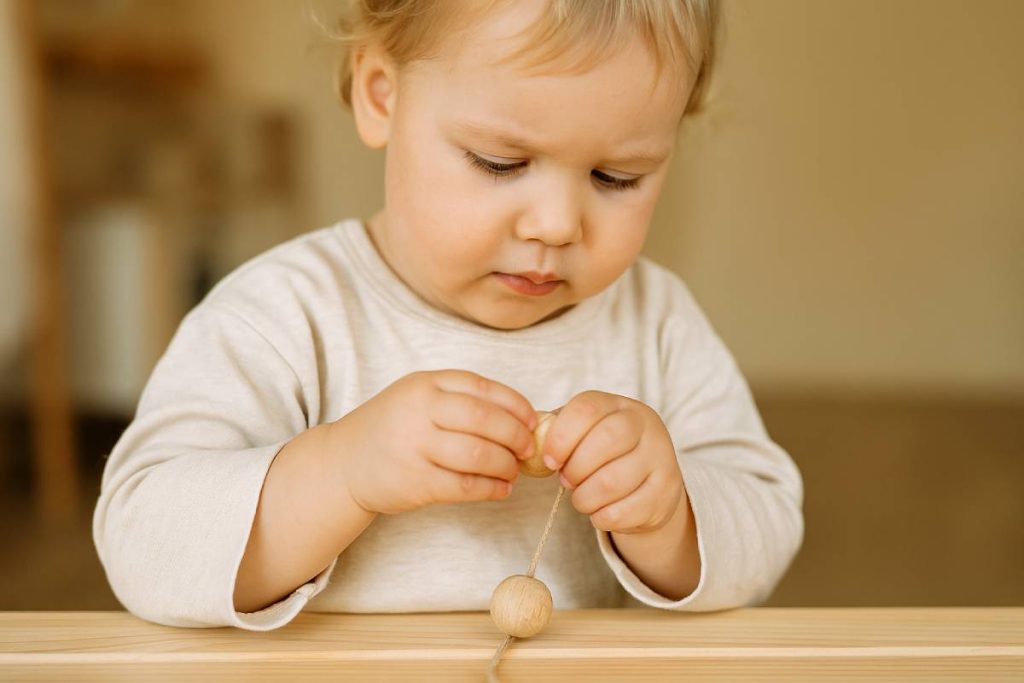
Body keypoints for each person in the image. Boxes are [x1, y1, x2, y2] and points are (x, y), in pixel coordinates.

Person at [94, 0, 803, 630]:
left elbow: (767, 525)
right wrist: (342, 470)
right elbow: (140, 540)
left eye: (616, 177)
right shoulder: (284, 316)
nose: (557, 224)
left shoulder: (654, 322)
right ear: (382, 96)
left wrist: (671, 514)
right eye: (500, 162)